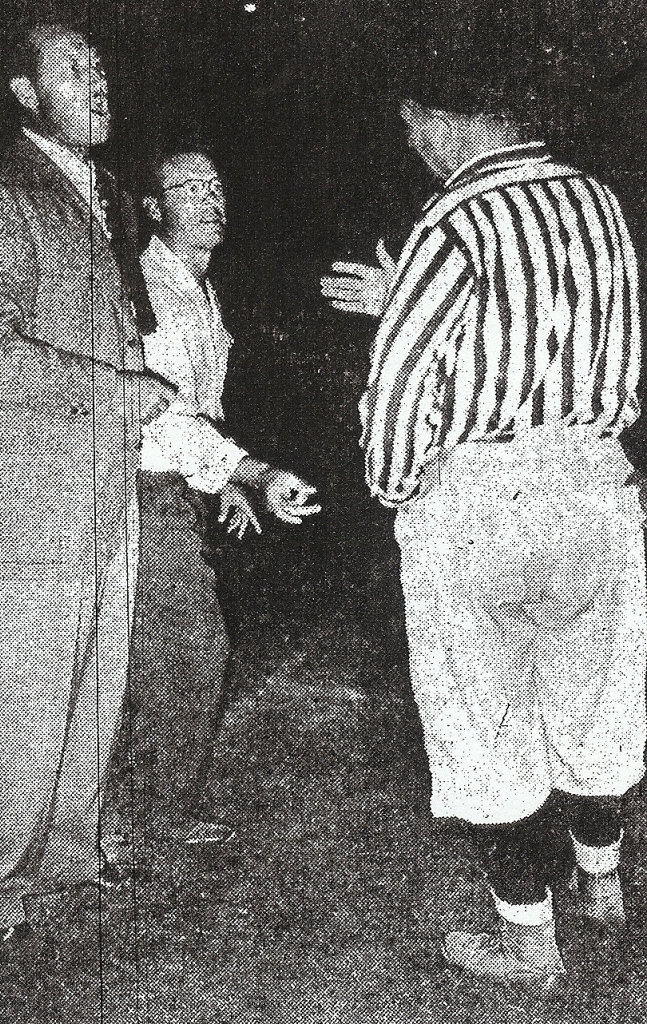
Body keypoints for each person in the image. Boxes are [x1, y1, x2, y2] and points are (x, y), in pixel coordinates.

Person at [321, 88, 646, 983]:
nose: (416, 144)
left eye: (413, 125)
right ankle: (603, 885)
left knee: (482, 717)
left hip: (483, 500)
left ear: (445, 117)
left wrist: (396, 484)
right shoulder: (597, 198)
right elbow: (556, 327)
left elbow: (400, 387)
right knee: (595, 696)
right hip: (593, 483)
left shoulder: (453, 218)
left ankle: (528, 940)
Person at [0, 23, 176, 935]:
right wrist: (120, 389)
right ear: (24, 91)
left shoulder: (104, 195)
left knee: (91, 699)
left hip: (102, 499)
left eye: (101, 66)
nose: (99, 80)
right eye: (73, 69)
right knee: (18, 725)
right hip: (27, 510)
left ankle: (66, 866)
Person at [135, 149, 321, 842]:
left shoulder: (198, 286)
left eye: (217, 186)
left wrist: (222, 485)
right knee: (190, 649)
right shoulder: (146, 285)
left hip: (180, 483)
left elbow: (202, 403)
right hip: (146, 484)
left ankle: (140, 812)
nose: (212, 199)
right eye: (190, 189)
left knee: (169, 653)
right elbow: (162, 416)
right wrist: (248, 473)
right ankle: (149, 816)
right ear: (155, 208)